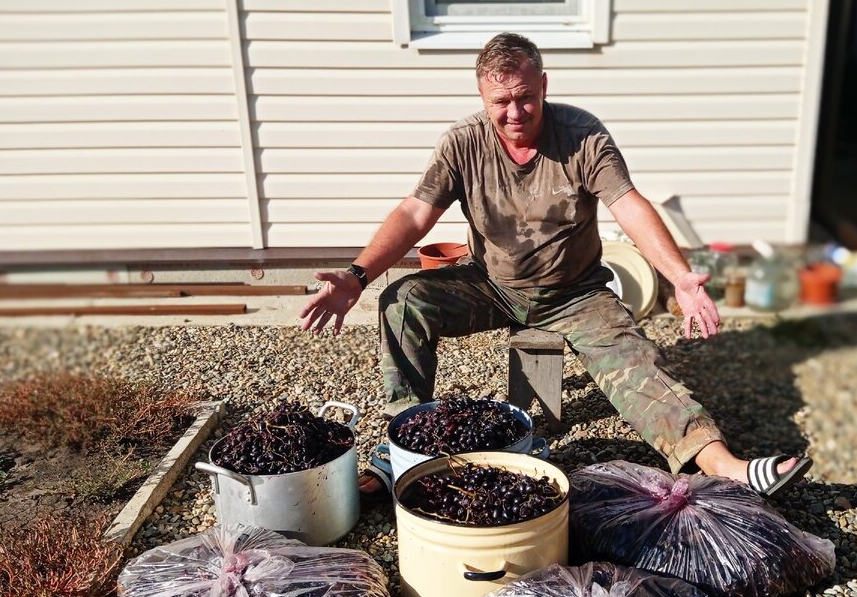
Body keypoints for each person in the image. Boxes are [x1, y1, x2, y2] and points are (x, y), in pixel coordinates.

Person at [299, 33, 811, 496]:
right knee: (402, 301)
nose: (516, 112)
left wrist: (680, 277)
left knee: (636, 360)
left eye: (526, 96)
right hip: (491, 285)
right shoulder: (463, 142)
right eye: (501, 101)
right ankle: (400, 452)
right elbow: (414, 213)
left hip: (576, 293)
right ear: (482, 97)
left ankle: (723, 465)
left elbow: (628, 203)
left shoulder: (582, 136)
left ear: (543, 84)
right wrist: (358, 276)